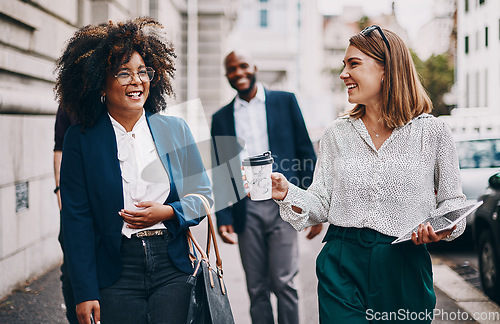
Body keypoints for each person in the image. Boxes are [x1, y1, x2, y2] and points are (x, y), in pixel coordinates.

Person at [269, 26, 466, 323]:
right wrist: (287, 192)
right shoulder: (336, 133)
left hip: (404, 265)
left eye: (354, 64)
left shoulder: (433, 132)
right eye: (344, 65)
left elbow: (453, 205)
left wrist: (439, 228)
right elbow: (322, 202)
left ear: (387, 69)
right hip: (341, 265)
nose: (343, 74)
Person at [55, 18, 212, 324]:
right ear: (101, 82)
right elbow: (76, 221)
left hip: (172, 265)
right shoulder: (81, 139)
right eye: (123, 73)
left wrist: (167, 213)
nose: (137, 81)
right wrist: (84, 291)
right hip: (115, 271)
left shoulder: (175, 129)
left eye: (143, 72)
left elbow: (203, 196)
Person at [211, 50, 322, 324]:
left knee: (285, 282)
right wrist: (223, 215)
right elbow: (221, 168)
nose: (239, 73)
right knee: (256, 287)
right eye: (232, 69)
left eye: (243, 66)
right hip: (245, 209)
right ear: (227, 75)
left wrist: (311, 205)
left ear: (255, 67)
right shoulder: (221, 117)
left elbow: (306, 153)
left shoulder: (285, 102)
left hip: (283, 203)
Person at [53, 104, 77, 324]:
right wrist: (60, 190)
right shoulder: (70, 102)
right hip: (73, 198)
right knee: (70, 272)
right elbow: (59, 147)